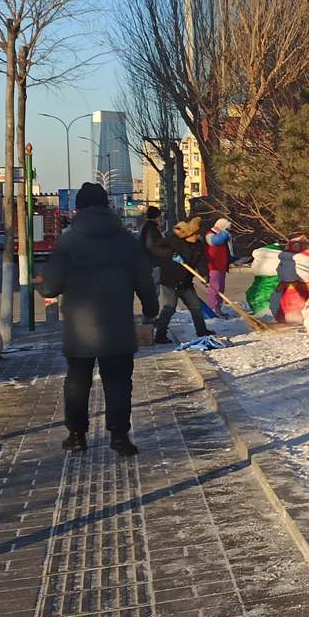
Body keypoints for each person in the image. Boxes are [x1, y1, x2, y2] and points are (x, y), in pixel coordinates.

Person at [38, 183, 158, 455]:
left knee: (78, 381)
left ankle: (77, 435)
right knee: (117, 381)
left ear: (78, 207)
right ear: (107, 206)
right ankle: (119, 437)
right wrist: (151, 311)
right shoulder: (126, 240)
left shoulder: (68, 240)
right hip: (118, 327)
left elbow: (50, 287)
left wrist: (41, 285)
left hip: (80, 330)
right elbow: (145, 281)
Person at [153, 215, 213, 343]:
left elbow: (201, 262)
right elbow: (155, 248)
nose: (198, 237)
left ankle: (202, 331)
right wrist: (171, 254)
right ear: (191, 234)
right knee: (169, 308)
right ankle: (160, 335)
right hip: (170, 280)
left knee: (196, 306)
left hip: (185, 282)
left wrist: (205, 275)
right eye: (197, 234)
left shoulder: (198, 245)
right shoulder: (175, 241)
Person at [204, 217, 234, 314]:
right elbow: (215, 241)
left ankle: (218, 308)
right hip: (213, 266)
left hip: (221, 266)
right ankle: (213, 308)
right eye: (226, 229)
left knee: (221, 288)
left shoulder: (223, 237)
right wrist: (224, 233)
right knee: (214, 288)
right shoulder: (210, 234)